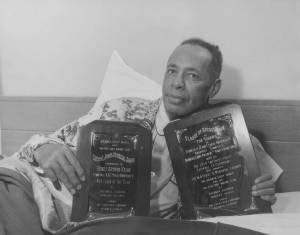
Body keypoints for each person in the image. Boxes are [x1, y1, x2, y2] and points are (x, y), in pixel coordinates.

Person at [0, 38, 279, 233]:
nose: (176, 83)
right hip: (32, 190)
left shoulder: (233, 139)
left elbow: (257, 202)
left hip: (103, 227)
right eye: (172, 70)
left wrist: (260, 195)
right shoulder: (121, 109)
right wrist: (42, 148)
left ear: (214, 88)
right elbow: (35, 147)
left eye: (192, 76)